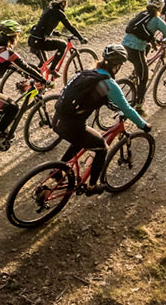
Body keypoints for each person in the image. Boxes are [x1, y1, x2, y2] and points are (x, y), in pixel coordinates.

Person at [50, 45, 150, 195]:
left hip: (58, 119)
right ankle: (92, 186)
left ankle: (58, 170)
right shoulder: (109, 84)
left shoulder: (87, 73)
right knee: (102, 148)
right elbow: (127, 109)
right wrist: (143, 125)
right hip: (72, 126)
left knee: (80, 140)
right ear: (117, 65)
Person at [0, 21, 49, 150]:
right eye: (17, 35)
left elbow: (2, 63)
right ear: (13, 36)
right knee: (13, 108)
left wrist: (20, 72)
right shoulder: (8, 53)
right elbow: (25, 66)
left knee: (5, 104)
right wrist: (43, 80)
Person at [122, 0, 166, 108]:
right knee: (144, 78)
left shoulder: (142, 14)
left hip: (124, 46)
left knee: (146, 48)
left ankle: (136, 72)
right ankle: (139, 105)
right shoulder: (157, 21)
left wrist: (153, 41)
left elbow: (143, 32)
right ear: (161, 8)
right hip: (135, 51)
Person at [26, 0, 87, 67]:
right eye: (65, 2)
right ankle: (52, 69)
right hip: (39, 41)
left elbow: (44, 24)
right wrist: (81, 38)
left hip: (32, 39)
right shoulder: (58, 13)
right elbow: (70, 27)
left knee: (44, 63)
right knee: (63, 45)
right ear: (62, 2)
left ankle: (37, 74)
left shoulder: (48, 9)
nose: (66, 4)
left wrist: (53, 32)